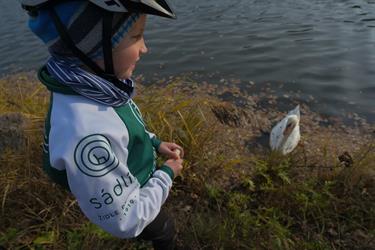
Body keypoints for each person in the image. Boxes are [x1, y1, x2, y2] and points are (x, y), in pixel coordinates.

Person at [21, 1, 183, 249]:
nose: (144, 48)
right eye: (136, 36)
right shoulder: (85, 131)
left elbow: (123, 125)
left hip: (134, 179)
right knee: (163, 229)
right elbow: (126, 220)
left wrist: (154, 142)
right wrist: (166, 175)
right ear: (92, 46)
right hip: (135, 198)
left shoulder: (95, 87)